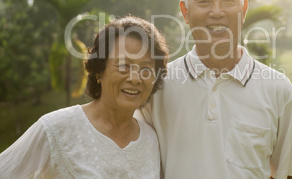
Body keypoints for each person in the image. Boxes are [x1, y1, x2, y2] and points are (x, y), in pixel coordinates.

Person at [137, 0, 292, 179]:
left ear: (244, 10)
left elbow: (286, 174)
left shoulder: (279, 91)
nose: (217, 12)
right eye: (204, 1)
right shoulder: (156, 88)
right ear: (185, 12)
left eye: (228, 1)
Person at [0, 15, 169, 178]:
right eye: (124, 65)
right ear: (99, 70)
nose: (135, 78)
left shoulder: (150, 140)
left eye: (146, 69)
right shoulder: (56, 129)